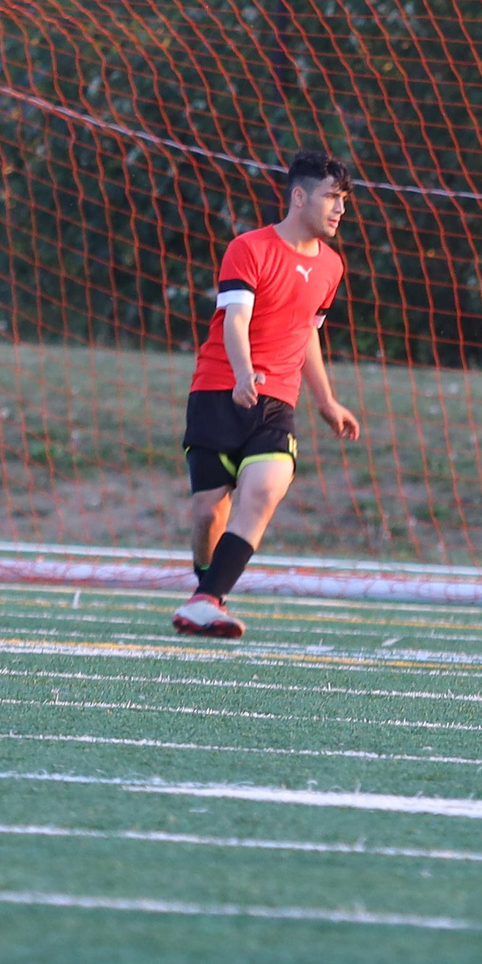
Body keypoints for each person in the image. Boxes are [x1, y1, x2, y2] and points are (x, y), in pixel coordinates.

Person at [173, 151, 364, 639]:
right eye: (332, 198)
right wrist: (241, 374)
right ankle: (204, 592)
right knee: (207, 513)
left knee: (263, 490)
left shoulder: (332, 268)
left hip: (276, 401)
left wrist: (326, 402)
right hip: (219, 390)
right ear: (299, 197)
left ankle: (208, 600)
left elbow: (307, 335)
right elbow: (236, 319)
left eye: (344, 201)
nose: (340, 210)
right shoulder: (249, 248)